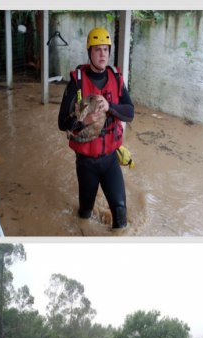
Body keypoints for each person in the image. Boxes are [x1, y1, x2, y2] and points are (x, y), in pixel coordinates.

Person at [58, 27, 134, 229]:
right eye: (97, 49)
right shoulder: (77, 82)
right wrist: (86, 120)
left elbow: (130, 112)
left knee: (120, 213)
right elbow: (62, 123)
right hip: (86, 163)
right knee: (84, 214)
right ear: (90, 52)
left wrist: (110, 107)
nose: (103, 54)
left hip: (110, 160)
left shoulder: (116, 78)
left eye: (106, 50)